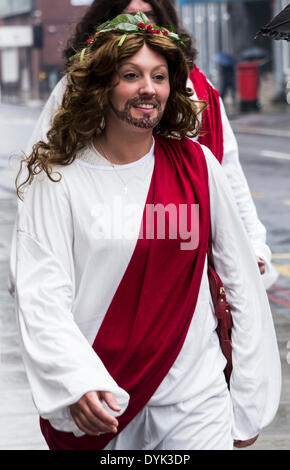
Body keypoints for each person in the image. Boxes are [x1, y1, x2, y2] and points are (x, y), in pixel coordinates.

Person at [13, 13, 281, 451]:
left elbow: (242, 285)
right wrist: (73, 378)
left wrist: (249, 400)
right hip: (104, 396)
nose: (148, 88)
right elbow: (41, 292)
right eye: (131, 75)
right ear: (100, 85)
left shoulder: (197, 165)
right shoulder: (58, 180)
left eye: (159, 76)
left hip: (196, 396)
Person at [8, 0, 278, 298]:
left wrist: (253, 245)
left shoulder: (199, 91)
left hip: (181, 253)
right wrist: (32, 268)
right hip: (104, 255)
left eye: (147, 14)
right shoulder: (75, 89)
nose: (138, 22)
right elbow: (44, 175)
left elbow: (228, 176)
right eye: (127, 15)